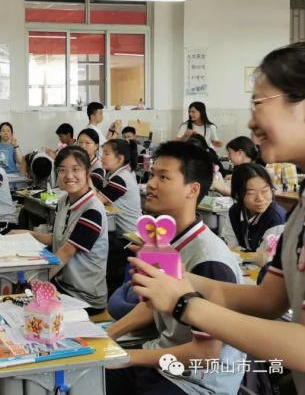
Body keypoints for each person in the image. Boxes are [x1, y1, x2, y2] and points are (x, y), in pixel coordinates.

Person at [128, 42, 305, 395]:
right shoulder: (300, 210)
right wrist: (176, 278)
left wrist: (184, 303)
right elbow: (269, 301)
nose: (251, 121)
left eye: (259, 103)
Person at [106, 141, 245, 395]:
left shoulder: (208, 261)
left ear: (192, 189)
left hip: (194, 383)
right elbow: (151, 306)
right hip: (163, 362)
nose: (151, 184)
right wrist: (106, 337)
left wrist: (128, 357)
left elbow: (205, 354)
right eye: (152, 175)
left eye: (163, 177)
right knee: (87, 374)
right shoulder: (167, 243)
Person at [11, 146, 109, 314]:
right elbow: (56, 239)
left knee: (24, 312)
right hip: (61, 286)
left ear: (87, 172)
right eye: (62, 170)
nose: (69, 176)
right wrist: (28, 234)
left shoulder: (92, 210)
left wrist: (31, 284)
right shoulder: (64, 200)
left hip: (83, 298)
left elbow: (66, 251)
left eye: (75, 169)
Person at [96, 139, 142, 295]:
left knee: (104, 247)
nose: (102, 157)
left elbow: (95, 201)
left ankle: (111, 296)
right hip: (125, 232)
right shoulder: (117, 174)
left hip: (129, 237)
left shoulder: (120, 179)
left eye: (106, 153)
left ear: (120, 159)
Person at [221, 163, 286, 267]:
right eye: (251, 193)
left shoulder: (277, 219)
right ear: (238, 194)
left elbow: (265, 258)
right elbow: (230, 246)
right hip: (243, 268)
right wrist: (250, 255)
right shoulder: (235, 211)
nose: (260, 198)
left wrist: (241, 254)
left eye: (265, 191)